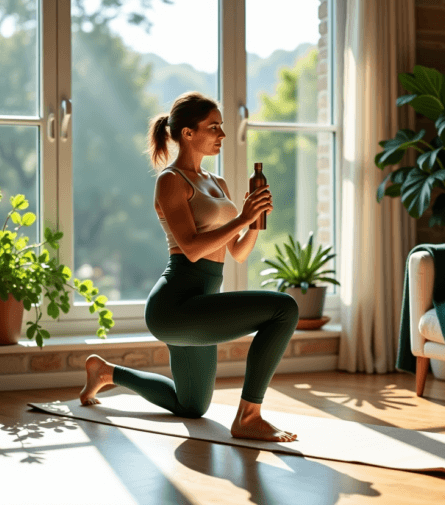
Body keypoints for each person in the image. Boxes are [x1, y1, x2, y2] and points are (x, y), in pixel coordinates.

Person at [80, 91, 299, 442]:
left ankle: (106, 372)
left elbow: (238, 253)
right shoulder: (171, 181)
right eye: (213, 127)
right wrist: (241, 216)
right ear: (187, 133)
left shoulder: (217, 183)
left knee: (191, 406)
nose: (222, 135)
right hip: (175, 308)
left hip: (201, 306)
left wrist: (254, 221)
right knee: (284, 308)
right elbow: (193, 250)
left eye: (221, 127)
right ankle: (249, 416)